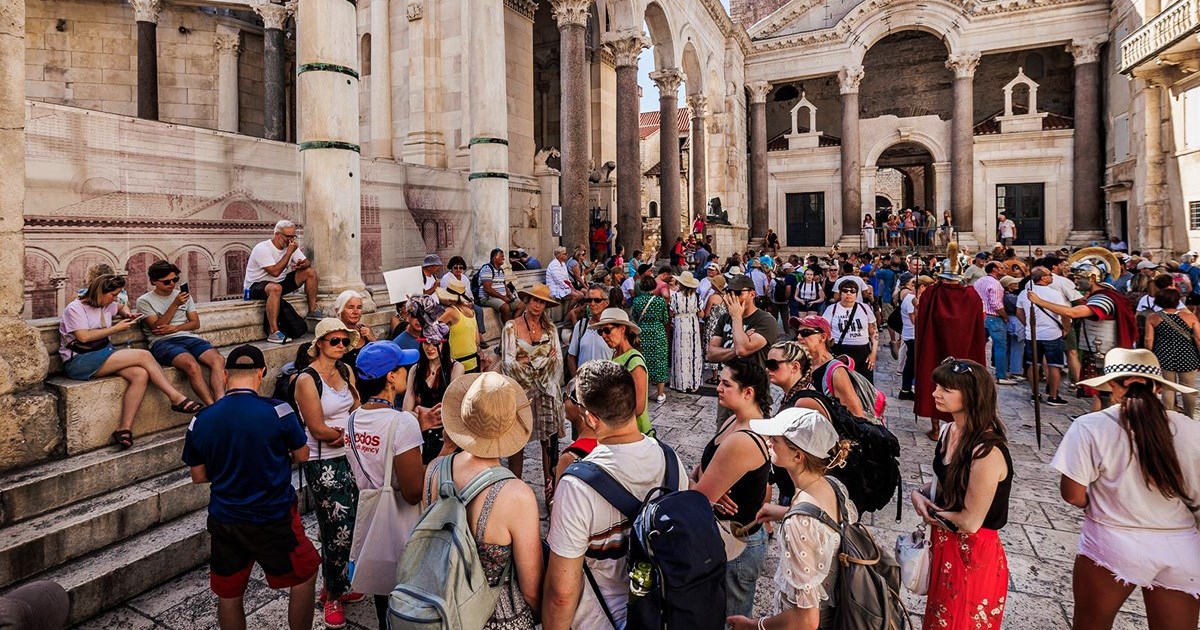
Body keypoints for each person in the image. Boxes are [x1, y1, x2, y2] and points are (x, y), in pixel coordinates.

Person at [1050, 349, 1200, 630]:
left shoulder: (1091, 427)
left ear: (1113, 384)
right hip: (1181, 545)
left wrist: (1092, 503)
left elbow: (1072, 494)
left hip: (1113, 539)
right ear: (1157, 386)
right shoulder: (1191, 430)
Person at [543, 360, 689, 630]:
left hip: (598, 620)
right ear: (633, 404)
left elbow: (561, 593)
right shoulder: (671, 460)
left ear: (590, 418)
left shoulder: (577, 486)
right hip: (660, 616)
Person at [182, 345, 319, 630]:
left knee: (230, 592)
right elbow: (303, 454)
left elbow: (198, 476)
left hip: (225, 517)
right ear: (262, 373)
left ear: (225, 374)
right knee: (305, 574)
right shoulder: (279, 411)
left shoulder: (201, 419)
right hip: (273, 516)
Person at [429, 372, 544, 629]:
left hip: (441, 606)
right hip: (497, 614)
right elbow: (531, 588)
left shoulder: (435, 470)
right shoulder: (517, 495)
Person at [725, 407, 854, 630]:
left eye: (775, 440)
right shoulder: (833, 486)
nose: (768, 443)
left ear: (798, 456)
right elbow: (826, 525)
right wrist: (781, 511)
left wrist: (753, 625)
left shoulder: (799, 524)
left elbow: (806, 620)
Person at [910, 358, 1012, 630]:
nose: (935, 393)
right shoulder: (949, 430)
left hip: (973, 554)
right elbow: (943, 486)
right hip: (945, 544)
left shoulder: (986, 451)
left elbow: (970, 521)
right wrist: (919, 495)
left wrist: (932, 513)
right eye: (937, 386)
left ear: (971, 396)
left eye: (946, 389)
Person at [60, 274, 203, 448]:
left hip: (103, 355)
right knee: (144, 356)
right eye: (113, 294)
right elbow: (83, 337)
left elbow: (121, 306)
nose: (115, 299)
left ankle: (124, 429)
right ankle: (175, 397)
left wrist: (127, 313)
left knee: (140, 374)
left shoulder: (108, 304)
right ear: (100, 292)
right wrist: (116, 328)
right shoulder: (75, 308)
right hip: (79, 361)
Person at [346, 342, 430, 628]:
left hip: (372, 518)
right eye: (402, 366)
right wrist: (443, 454)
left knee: (383, 593)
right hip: (402, 524)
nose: (407, 370)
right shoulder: (402, 422)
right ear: (391, 377)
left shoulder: (352, 418)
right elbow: (413, 492)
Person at [291, 318, 363, 626]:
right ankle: (331, 594)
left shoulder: (346, 371)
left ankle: (340, 584)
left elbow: (357, 408)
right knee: (335, 529)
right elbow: (318, 429)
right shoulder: (307, 379)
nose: (342, 347)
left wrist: (347, 430)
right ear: (319, 343)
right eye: (335, 341)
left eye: (345, 342)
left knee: (354, 521)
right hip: (322, 462)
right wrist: (347, 431)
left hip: (349, 455)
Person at [694, 358, 772, 618]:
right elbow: (702, 469)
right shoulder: (733, 421)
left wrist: (699, 485)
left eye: (726, 384)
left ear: (748, 392)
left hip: (738, 541)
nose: (718, 387)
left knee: (733, 619)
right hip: (726, 535)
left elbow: (698, 497)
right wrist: (705, 481)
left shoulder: (743, 439)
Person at [500, 283, 565, 507]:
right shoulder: (511, 327)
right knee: (517, 442)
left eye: (542, 302)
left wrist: (527, 360)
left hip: (547, 392)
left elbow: (558, 362)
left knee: (548, 443)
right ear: (527, 301)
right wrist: (541, 362)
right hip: (521, 392)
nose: (538, 305)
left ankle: (550, 491)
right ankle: (514, 492)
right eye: (535, 300)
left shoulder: (551, 329)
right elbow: (508, 363)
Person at [137, 261, 226, 405]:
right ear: (154, 281)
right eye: (166, 282)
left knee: (218, 360)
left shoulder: (184, 296)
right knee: (191, 365)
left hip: (187, 337)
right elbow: (157, 328)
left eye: (175, 279)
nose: (172, 284)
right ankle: (212, 406)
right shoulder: (144, 301)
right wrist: (175, 305)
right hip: (162, 342)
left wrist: (175, 328)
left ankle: (221, 402)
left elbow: (195, 323)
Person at [244, 220, 320, 343]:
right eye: (287, 236)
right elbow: (274, 272)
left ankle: (312, 310)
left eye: (293, 236)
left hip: (279, 282)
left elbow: (307, 262)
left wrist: (302, 264)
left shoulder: (291, 247)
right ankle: (273, 332)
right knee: (275, 288)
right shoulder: (262, 248)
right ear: (277, 235)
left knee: (310, 272)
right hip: (256, 285)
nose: (290, 240)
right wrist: (289, 252)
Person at [402, 314, 465, 464]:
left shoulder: (456, 368)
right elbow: (405, 409)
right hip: (420, 432)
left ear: (444, 344)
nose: (430, 348)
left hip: (445, 436)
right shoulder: (415, 370)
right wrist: (424, 414)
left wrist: (420, 409)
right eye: (426, 343)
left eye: (434, 343)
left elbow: (450, 408)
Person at [591, 308, 652, 434]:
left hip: (634, 433)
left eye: (607, 330)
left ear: (622, 329)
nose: (603, 335)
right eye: (600, 331)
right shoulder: (616, 355)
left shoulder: (634, 361)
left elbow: (639, 407)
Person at [792, 315, 867, 418]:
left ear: (823, 337)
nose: (799, 337)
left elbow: (856, 415)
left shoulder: (836, 372)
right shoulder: (802, 364)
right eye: (797, 333)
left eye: (805, 333)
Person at [1017, 268, 1071, 406]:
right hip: (1052, 334)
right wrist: (1066, 328)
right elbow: (1064, 313)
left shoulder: (1025, 293)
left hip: (1032, 334)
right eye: (1049, 275)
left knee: (1033, 364)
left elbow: (1019, 313)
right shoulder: (1054, 294)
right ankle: (1053, 396)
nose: (1052, 276)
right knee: (1054, 365)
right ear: (1043, 278)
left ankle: (1035, 394)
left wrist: (1028, 325)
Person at [1144, 287, 1200, 417]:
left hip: (1164, 356)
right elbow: (1198, 338)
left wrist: (1148, 355)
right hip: (1187, 356)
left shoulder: (1153, 317)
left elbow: (1148, 339)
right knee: (1188, 388)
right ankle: (1189, 416)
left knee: (1167, 388)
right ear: (1177, 301)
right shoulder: (1190, 317)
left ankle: (1170, 416)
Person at [708, 274, 779, 373]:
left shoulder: (766, 320)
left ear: (752, 294)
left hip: (752, 382)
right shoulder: (724, 318)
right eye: (729, 292)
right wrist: (736, 348)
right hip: (727, 381)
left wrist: (737, 317)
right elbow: (711, 355)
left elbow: (742, 350)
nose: (733, 298)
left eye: (738, 293)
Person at [821, 279, 878, 381]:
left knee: (864, 383)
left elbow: (873, 332)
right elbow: (824, 331)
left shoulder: (864, 308)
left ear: (856, 294)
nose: (849, 294)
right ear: (840, 293)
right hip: (840, 349)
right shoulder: (832, 309)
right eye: (845, 291)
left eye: (852, 291)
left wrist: (873, 353)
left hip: (862, 351)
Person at [630, 275, 670, 403]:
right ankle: (660, 394)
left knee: (643, 360)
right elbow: (665, 318)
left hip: (642, 333)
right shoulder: (660, 301)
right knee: (660, 361)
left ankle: (643, 392)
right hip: (658, 332)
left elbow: (635, 318)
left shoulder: (637, 301)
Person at [975, 262, 1016, 385]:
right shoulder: (995, 284)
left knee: (979, 345)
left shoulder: (979, 281)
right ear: (995, 269)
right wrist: (1005, 316)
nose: (1005, 269)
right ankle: (1001, 375)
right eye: (1003, 268)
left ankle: (977, 371)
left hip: (981, 316)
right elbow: (996, 304)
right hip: (993, 317)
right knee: (1000, 346)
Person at [437, 279, 483, 373]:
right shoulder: (472, 311)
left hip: (457, 362)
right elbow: (477, 340)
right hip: (473, 360)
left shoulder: (451, 311)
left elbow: (432, 325)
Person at [567, 284, 614, 376]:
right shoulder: (581, 326)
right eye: (589, 300)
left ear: (606, 302)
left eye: (597, 300)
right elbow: (571, 356)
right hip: (584, 384)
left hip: (606, 384)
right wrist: (576, 380)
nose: (592, 304)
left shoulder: (613, 328)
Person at [669, 271, 703, 393]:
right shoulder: (697, 297)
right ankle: (693, 383)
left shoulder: (675, 297)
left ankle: (681, 383)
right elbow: (701, 313)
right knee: (693, 352)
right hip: (693, 324)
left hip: (680, 324)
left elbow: (671, 312)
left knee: (680, 352)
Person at [477, 248, 522, 323]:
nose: (503, 258)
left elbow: (504, 285)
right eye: (501, 256)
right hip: (488, 298)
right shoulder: (487, 269)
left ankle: (512, 325)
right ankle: (507, 328)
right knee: (506, 308)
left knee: (521, 306)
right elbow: (488, 289)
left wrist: (509, 295)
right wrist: (503, 297)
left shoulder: (501, 270)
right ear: (494, 258)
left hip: (501, 297)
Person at [335, 290, 376, 367]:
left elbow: (380, 356)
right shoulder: (335, 333)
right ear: (338, 310)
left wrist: (372, 339)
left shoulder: (365, 329)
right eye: (350, 308)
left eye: (359, 307)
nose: (356, 312)